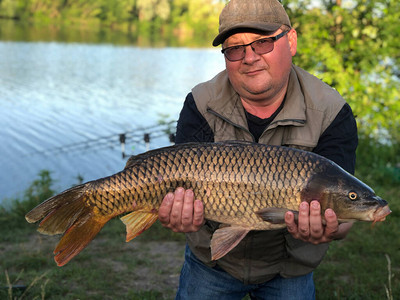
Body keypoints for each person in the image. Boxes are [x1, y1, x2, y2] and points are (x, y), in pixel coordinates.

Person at [158, 0, 358, 299]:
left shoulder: (331, 111)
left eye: (262, 43)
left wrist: (331, 228)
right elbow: (178, 190)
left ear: (290, 41)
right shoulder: (201, 103)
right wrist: (176, 213)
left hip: (289, 268)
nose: (249, 58)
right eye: (235, 48)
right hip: (212, 263)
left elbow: (344, 216)